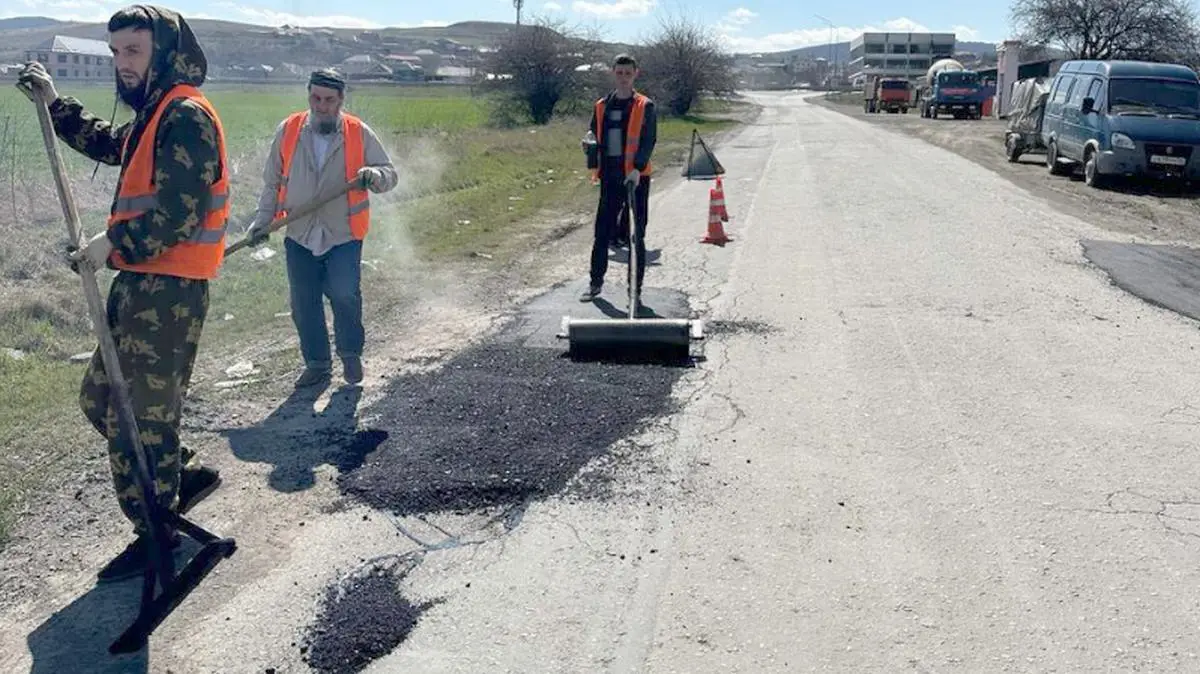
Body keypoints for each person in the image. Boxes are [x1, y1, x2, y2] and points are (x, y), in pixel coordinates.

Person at [17, 4, 229, 582]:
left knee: (137, 418)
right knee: (102, 401)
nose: (122, 63)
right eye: (115, 52)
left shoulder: (185, 114)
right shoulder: (155, 112)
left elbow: (179, 215)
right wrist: (54, 103)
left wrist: (110, 245)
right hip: (141, 284)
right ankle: (180, 476)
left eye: (133, 51)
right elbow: (113, 145)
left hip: (169, 291)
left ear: (164, 52)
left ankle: (156, 532)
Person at [246, 69, 398, 388]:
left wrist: (374, 175)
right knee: (304, 303)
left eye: (329, 100)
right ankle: (317, 365)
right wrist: (261, 222)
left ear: (341, 100)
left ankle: (350, 354)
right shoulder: (289, 130)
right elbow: (272, 183)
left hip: (343, 233)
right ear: (309, 96)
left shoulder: (358, 132)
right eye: (316, 98)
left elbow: (389, 173)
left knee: (344, 295)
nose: (321, 106)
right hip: (299, 233)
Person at [580, 53, 657, 304]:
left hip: (636, 178)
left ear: (636, 74)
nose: (624, 77)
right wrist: (589, 145)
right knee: (602, 232)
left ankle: (635, 291)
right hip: (610, 177)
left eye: (628, 73)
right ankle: (595, 283)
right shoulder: (602, 105)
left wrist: (637, 168)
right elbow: (593, 133)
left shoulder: (645, 106)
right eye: (620, 73)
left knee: (636, 235)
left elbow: (648, 140)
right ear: (613, 73)